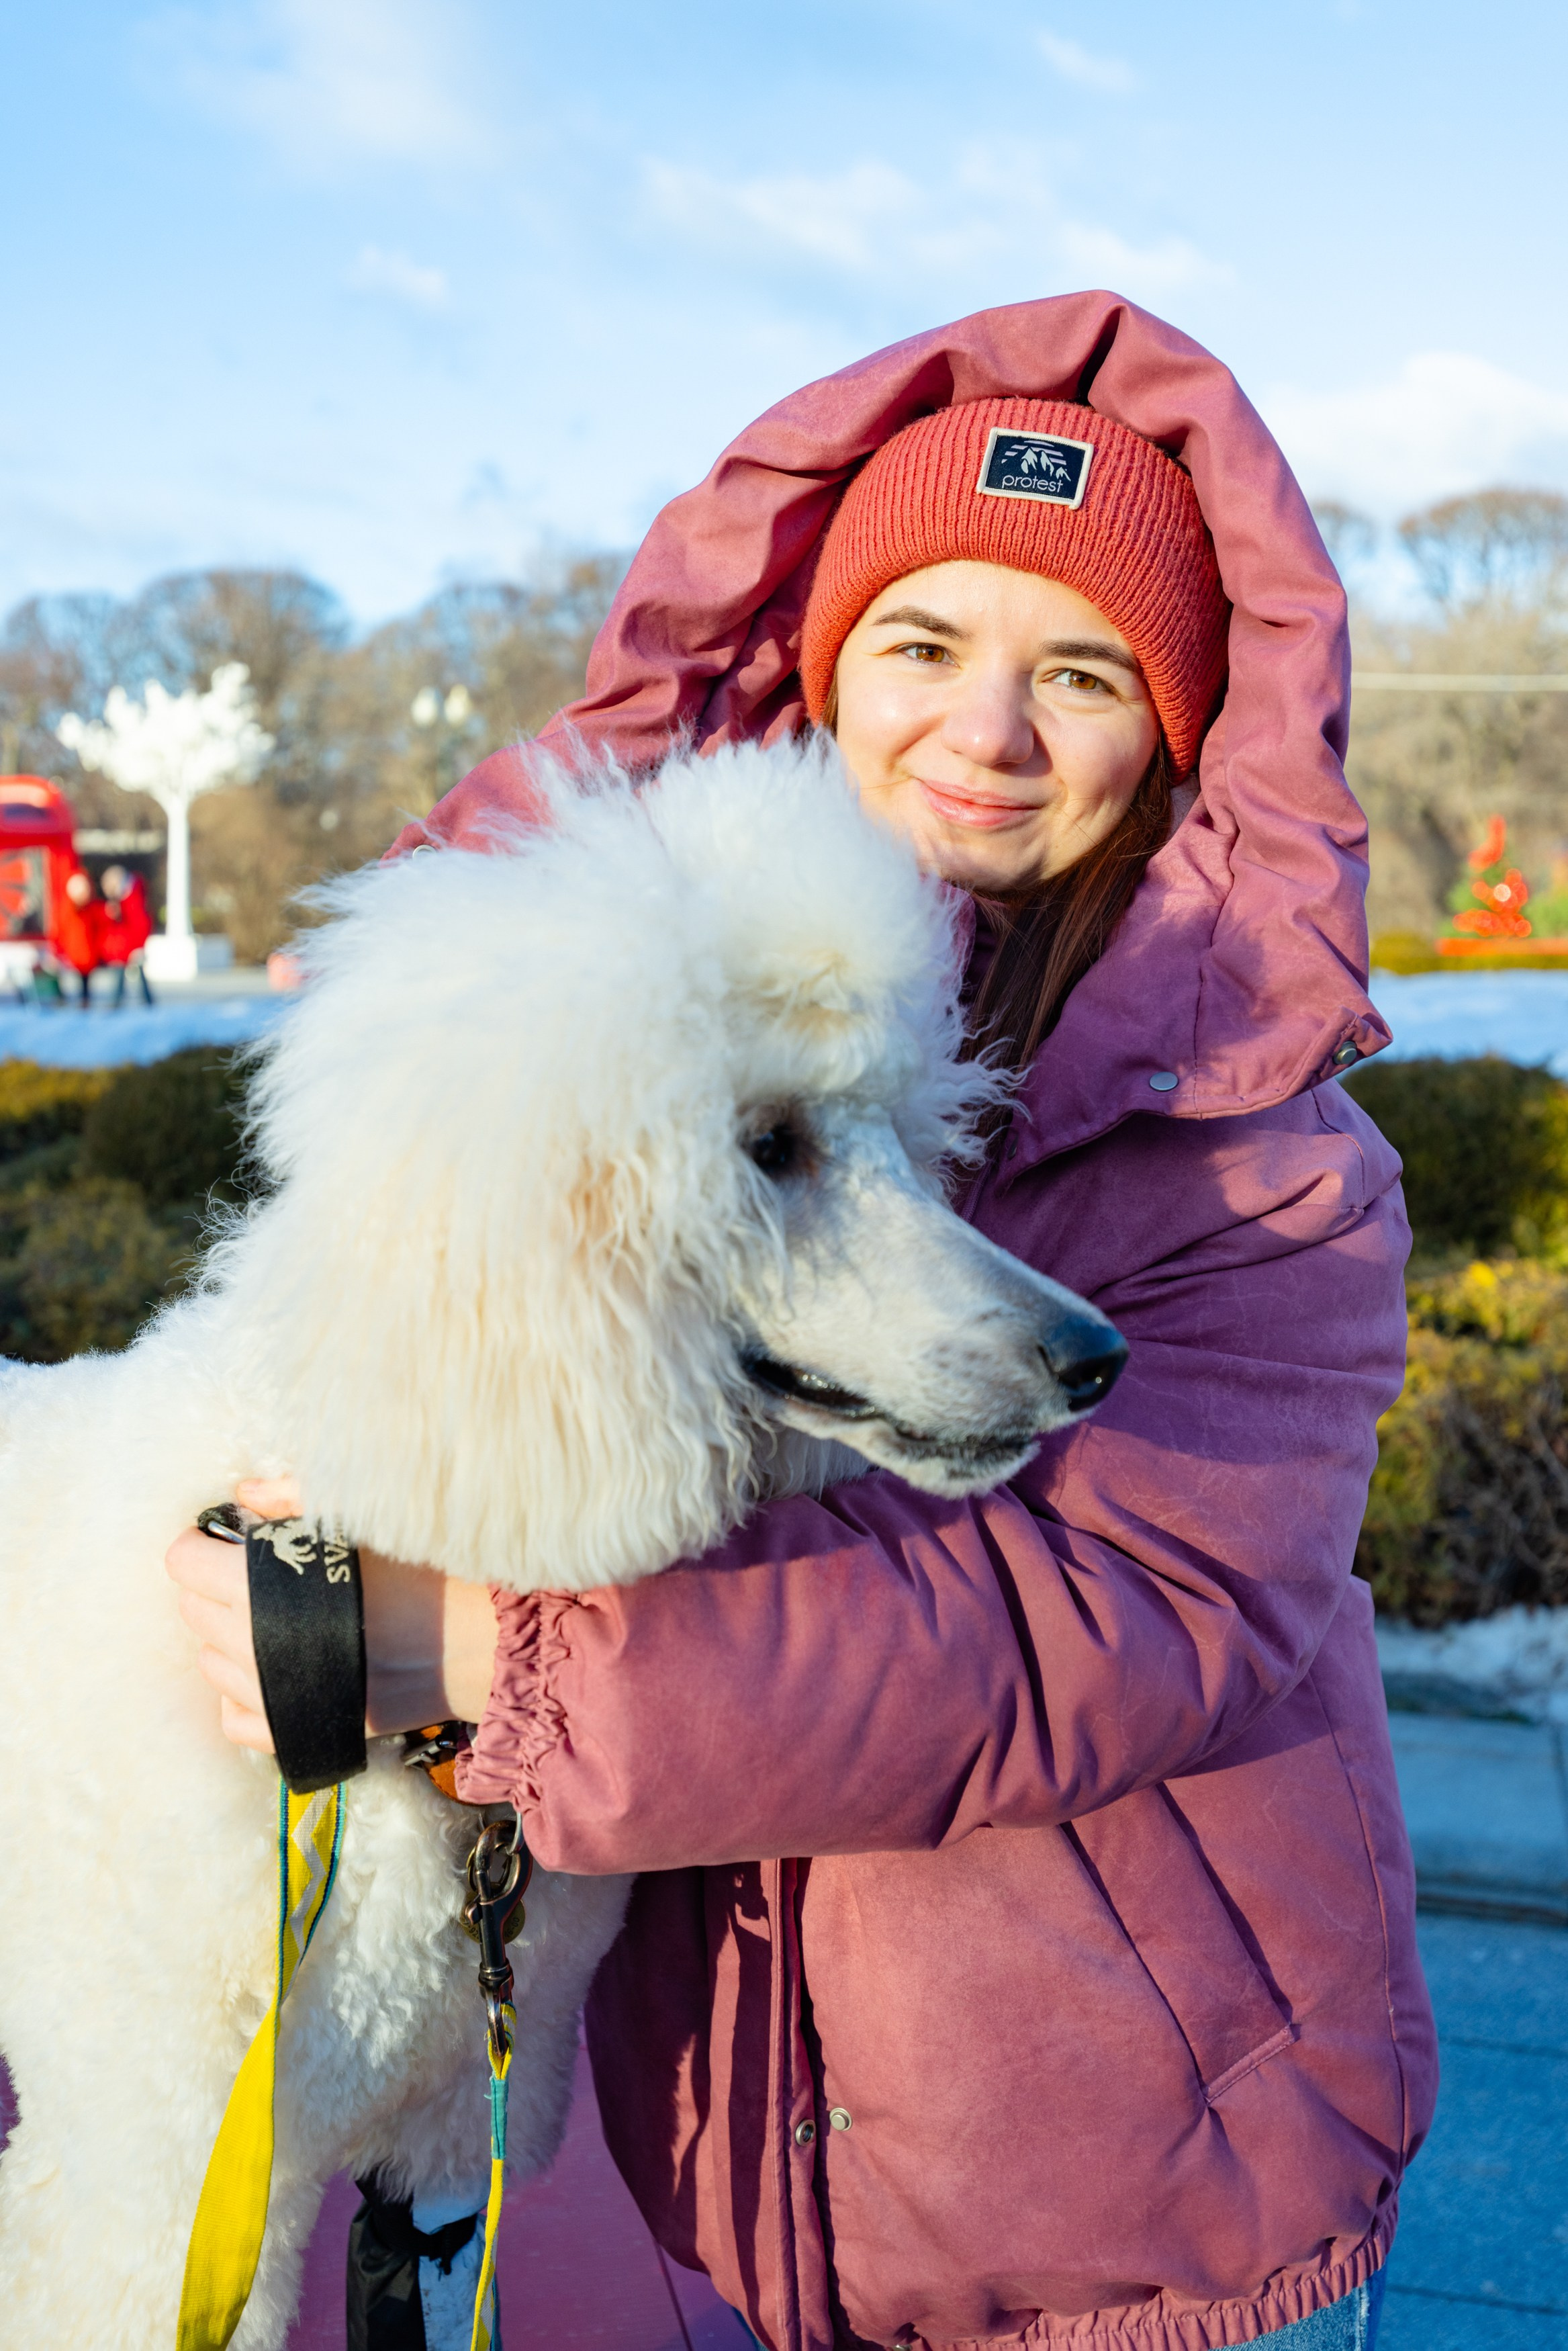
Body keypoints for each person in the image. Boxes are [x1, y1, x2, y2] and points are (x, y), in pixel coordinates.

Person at [167, 293, 1436, 2351]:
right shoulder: (649, 1060)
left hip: (1127, 2199)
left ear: (1177, 731)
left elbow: (1086, 1620)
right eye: (923, 646)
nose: (987, 731)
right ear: (821, 670)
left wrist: (476, 1654)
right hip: (713, 2173)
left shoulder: (1261, 1169)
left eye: (1082, 671)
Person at [99, 863, 155, 1006]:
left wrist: (139, 945)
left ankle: (121, 1003)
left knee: (128, 975)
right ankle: (144, 1002)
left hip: (130, 945)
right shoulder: (126, 899)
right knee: (131, 975)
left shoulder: (132, 900)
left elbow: (140, 924)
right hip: (124, 946)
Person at [52, 867, 101, 1008]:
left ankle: (83, 1000)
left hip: (86, 951)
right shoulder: (69, 909)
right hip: (74, 951)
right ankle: (64, 999)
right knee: (66, 975)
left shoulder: (90, 909)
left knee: (84, 979)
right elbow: (62, 930)